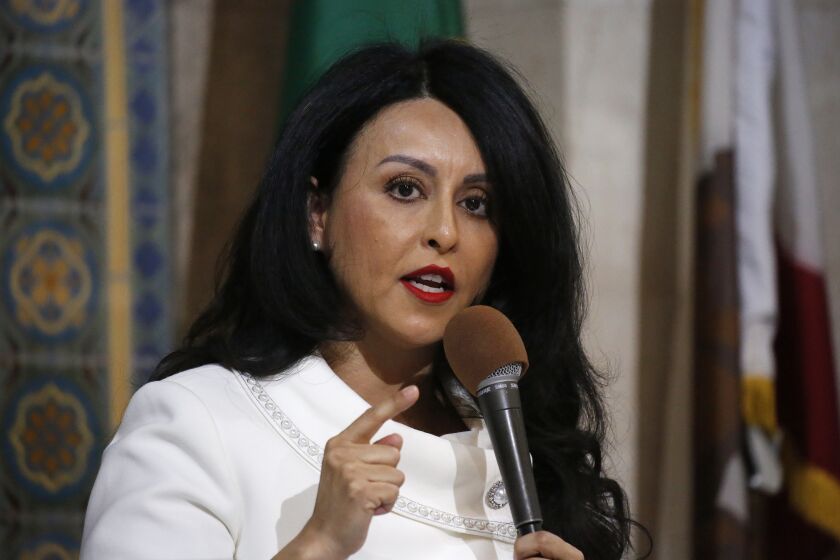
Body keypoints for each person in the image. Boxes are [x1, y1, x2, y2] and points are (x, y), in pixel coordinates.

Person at [81, 40, 638, 559]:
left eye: (476, 204)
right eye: (404, 189)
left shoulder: (532, 457)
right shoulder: (199, 421)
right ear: (317, 215)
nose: (445, 231)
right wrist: (318, 543)